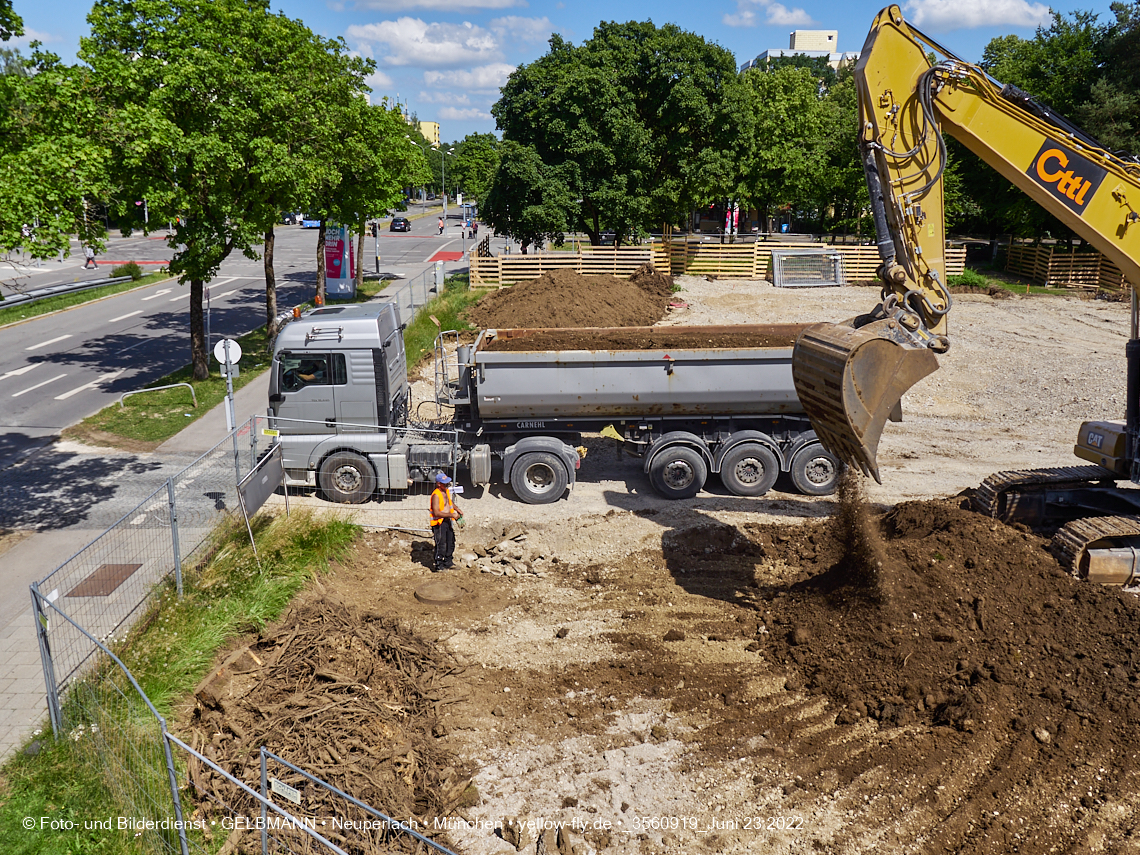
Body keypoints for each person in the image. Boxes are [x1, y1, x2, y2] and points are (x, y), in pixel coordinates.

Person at [429, 471, 462, 572]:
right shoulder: (436, 495)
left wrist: (457, 509)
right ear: (438, 484)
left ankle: (448, 562)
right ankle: (439, 565)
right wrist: (452, 515)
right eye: (445, 483)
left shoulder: (446, 491)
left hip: (447, 521)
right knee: (441, 544)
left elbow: (449, 503)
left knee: (450, 542)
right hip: (439, 523)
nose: (447, 485)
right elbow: (437, 512)